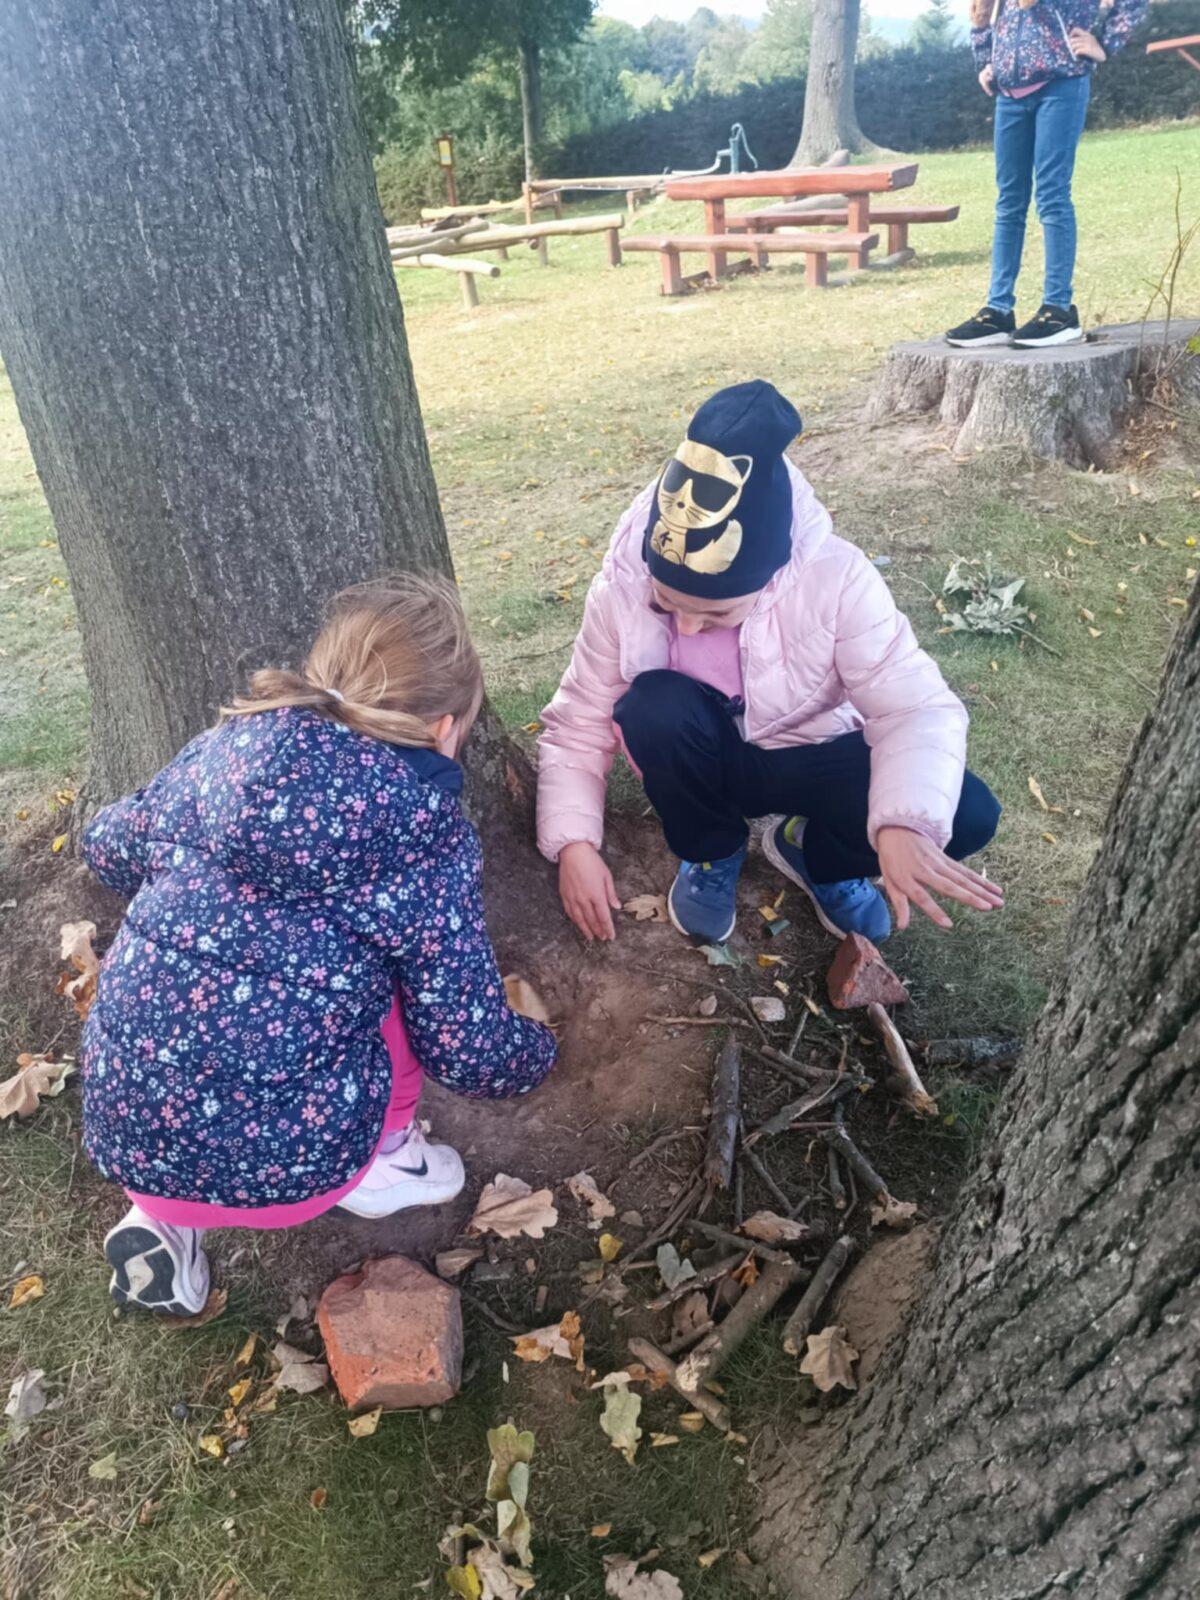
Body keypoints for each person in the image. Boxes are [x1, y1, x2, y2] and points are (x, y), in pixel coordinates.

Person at [81, 575, 556, 1317]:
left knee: (174, 986)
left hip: (129, 1134)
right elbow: (462, 1042)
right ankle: (387, 1159)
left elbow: (107, 847)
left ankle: (160, 1225)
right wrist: (534, 1051)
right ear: (444, 730)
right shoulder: (420, 832)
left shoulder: (220, 752)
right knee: (401, 987)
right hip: (303, 1168)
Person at [537, 380, 1003, 948]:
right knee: (652, 705)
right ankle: (711, 851)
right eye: (667, 603)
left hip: (812, 754)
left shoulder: (838, 579)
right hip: (708, 761)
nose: (684, 626)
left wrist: (904, 823)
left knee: (969, 810)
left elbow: (916, 708)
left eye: (714, 613)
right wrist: (574, 845)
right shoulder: (623, 584)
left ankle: (821, 858)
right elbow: (580, 717)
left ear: (770, 578)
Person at [947, 0, 1147, 350]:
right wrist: (985, 59)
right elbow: (982, 9)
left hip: (1061, 85)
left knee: (1052, 197)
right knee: (1009, 203)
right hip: (1009, 95)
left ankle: (1058, 311)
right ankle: (998, 311)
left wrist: (1105, 43)